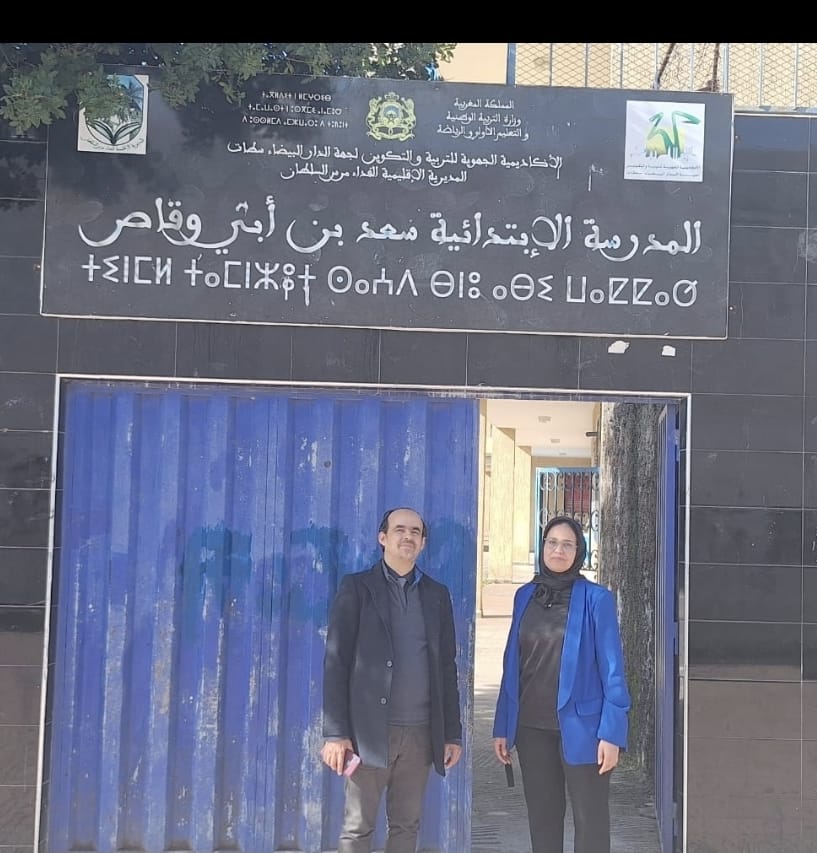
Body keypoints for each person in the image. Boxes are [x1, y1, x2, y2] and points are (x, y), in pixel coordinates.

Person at [321, 506, 463, 853]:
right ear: (382, 538)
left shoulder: (436, 595)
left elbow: (446, 667)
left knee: (406, 825)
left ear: (423, 543)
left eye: (415, 531)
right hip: (368, 733)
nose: (408, 536)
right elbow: (336, 662)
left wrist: (451, 733)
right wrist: (336, 733)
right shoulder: (357, 588)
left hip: (420, 735)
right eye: (400, 530)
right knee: (358, 827)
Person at [492, 515, 630, 853]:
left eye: (568, 544)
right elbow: (512, 663)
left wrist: (612, 734)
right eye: (552, 543)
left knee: (590, 822)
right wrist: (503, 725)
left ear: (579, 551)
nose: (558, 550)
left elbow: (612, 669)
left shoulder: (597, 599)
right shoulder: (524, 596)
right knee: (543, 821)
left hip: (585, 729)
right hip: (531, 728)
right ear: (543, 547)